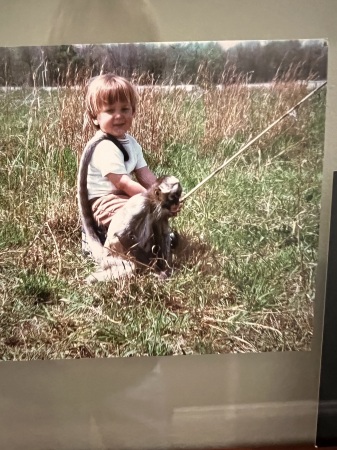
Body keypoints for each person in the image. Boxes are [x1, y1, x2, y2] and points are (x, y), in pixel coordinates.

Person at [80, 73, 157, 253]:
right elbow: (123, 182)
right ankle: (100, 238)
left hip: (122, 197)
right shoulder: (103, 146)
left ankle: (148, 239)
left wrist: (162, 194)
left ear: (133, 112)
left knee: (144, 212)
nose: (118, 116)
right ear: (94, 117)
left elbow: (144, 174)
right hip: (102, 203)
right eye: (109, 110)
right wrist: (152, 200)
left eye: (124, 109)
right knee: (133, 213)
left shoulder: (132, 143)